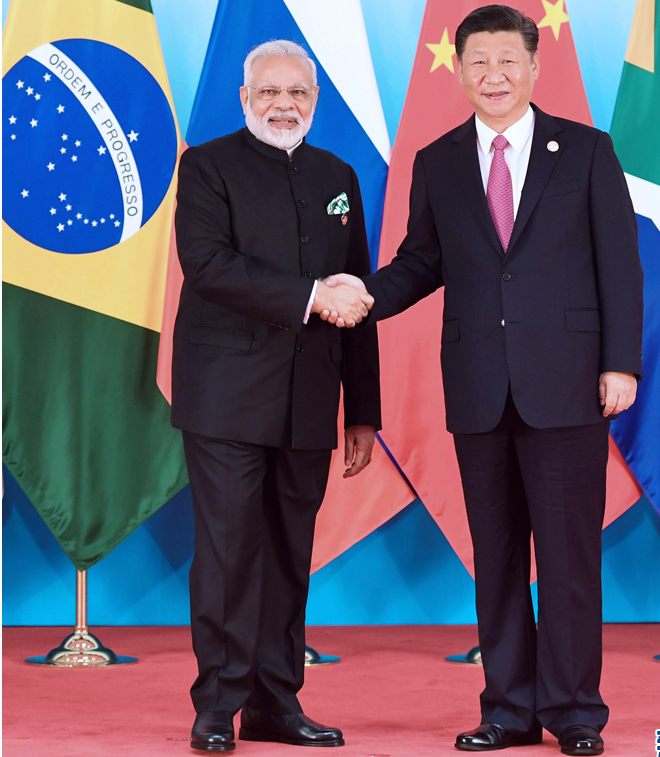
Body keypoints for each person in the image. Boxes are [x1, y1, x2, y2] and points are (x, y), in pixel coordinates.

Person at [324, 6, 643, 756]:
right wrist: (361, 295)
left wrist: (620, 362)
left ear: (533, 67)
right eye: (478, 62)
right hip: (478, 388)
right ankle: (507, 709)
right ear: (460, 70)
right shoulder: (437, 160)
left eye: (507, 61)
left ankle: (574, 712)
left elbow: (620, 265)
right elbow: (420, 262)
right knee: (495, 558)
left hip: (568, 385)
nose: (493, 75)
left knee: (568, 559)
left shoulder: (587, 150)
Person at [172, 39, 381, 752]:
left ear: (314, 101)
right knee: (230, 555)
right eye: (269, 91)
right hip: (225, 397)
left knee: (291, 554)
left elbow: (357, 292)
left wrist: (364, 409)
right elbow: (208, 265)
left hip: (309, 399)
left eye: (297, 93)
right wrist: (312, 296)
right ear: (245, 98)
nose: (283, 105)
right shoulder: (206, 166)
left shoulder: (338, 174)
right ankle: (217, 706)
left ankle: (274, 702)